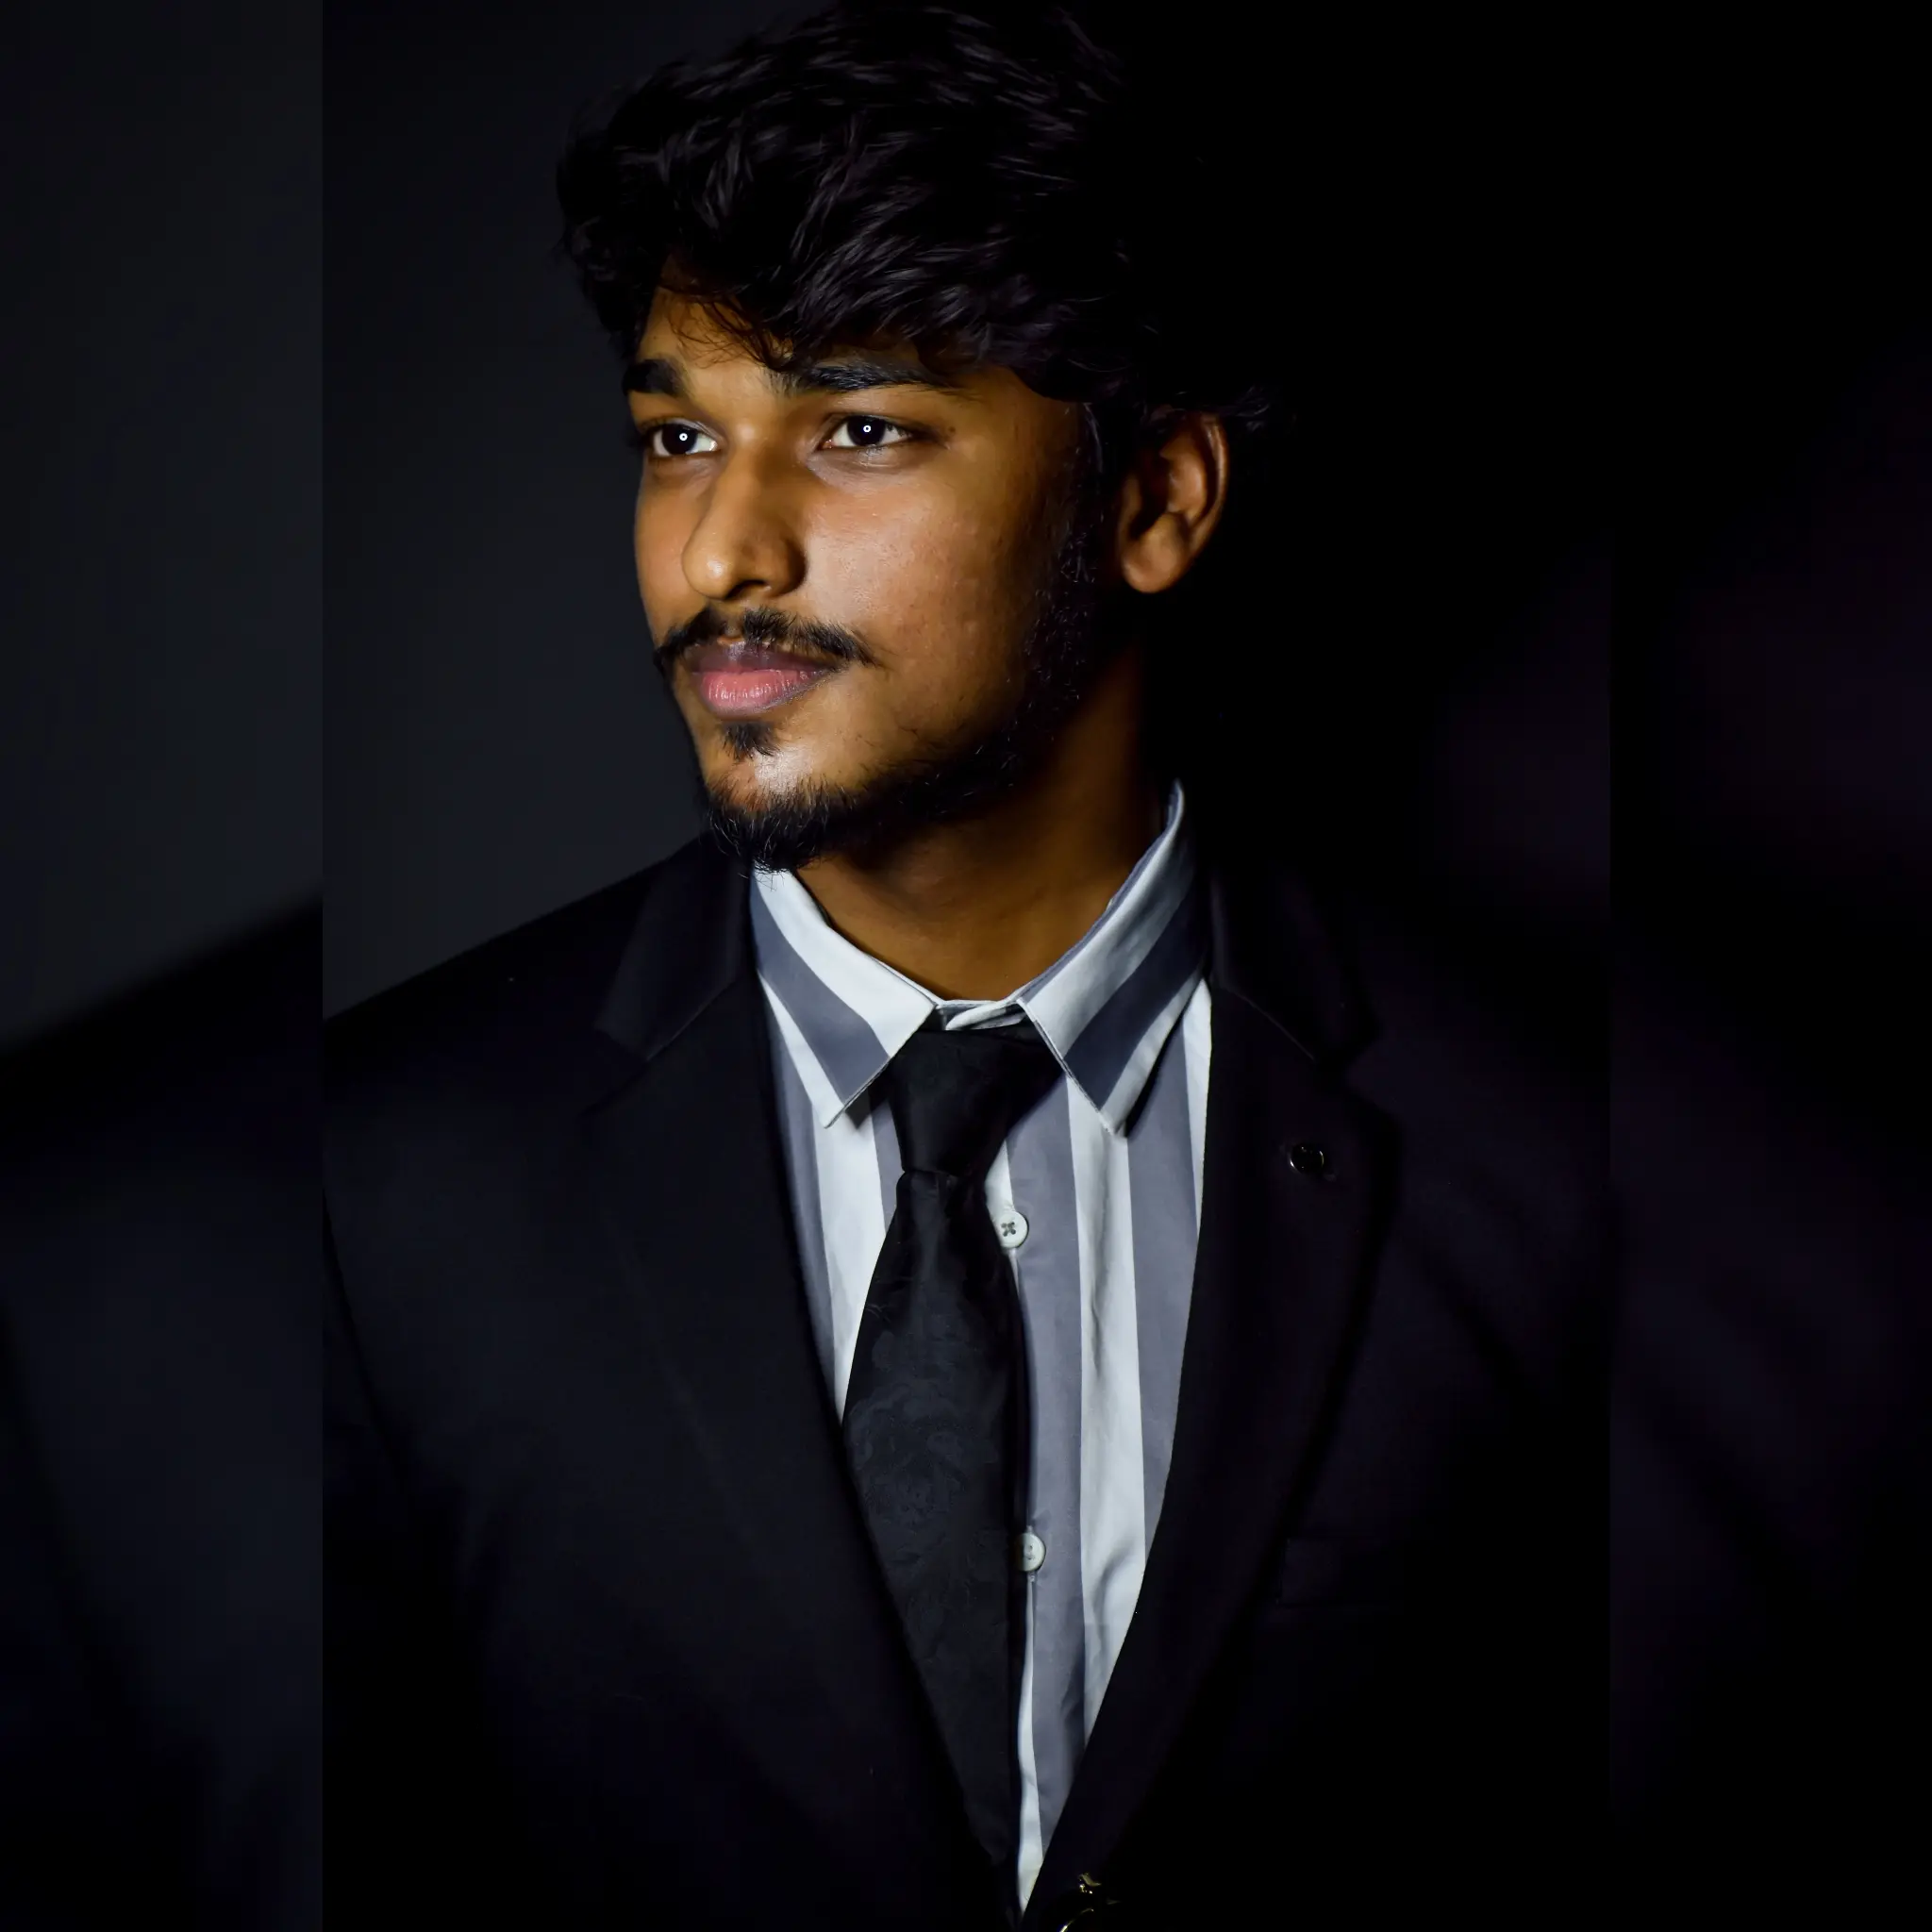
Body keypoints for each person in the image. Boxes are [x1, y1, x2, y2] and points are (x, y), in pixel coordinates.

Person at [325, 6, 1604, 1924]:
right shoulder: (376, 1172)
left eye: (857, 430)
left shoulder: (1560, 1147)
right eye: (678, 435)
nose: (721, 550)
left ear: (1156, 501)